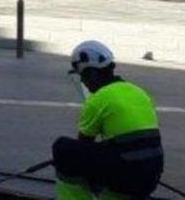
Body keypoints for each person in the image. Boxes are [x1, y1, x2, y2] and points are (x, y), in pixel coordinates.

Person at [53, 41, 164, 200]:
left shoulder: (98, 100)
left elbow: (84, 146)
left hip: (125, 178)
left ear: (92, 74)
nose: (83, 82)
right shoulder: (139, 92)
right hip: (151, 177)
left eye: (82, 76)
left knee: (64, 150)